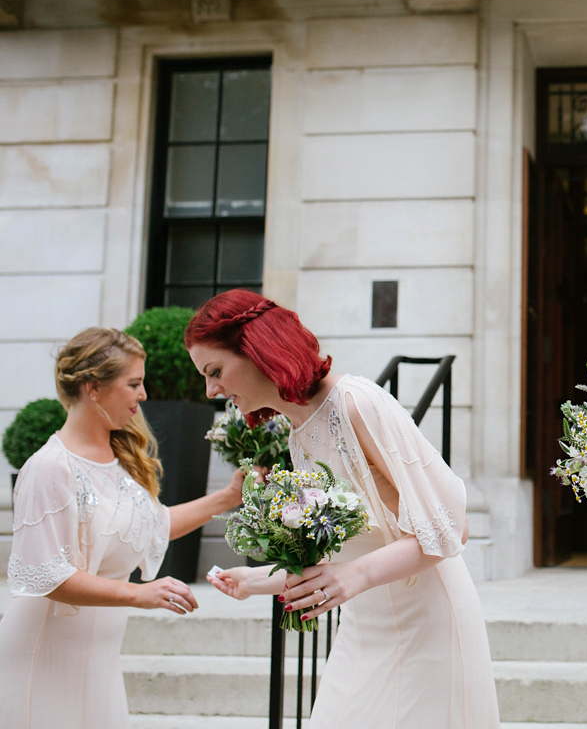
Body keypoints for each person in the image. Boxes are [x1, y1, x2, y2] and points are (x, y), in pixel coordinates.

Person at [187, 289, 500, 729]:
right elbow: (341, 556)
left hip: (426, 623)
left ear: (257, 349)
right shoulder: (298, 433)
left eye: (215, 371)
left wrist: (355, 577)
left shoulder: (357, 402)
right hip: (362, 628)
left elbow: (451, 529)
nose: (211, 390)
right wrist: (254, 581)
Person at [0, 327, 251, 729]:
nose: (144, 395)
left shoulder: (117, 462)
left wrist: (229, 496)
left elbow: (154, 526)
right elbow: (46, 574)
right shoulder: (50, 467)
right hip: (44, 654)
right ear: (92, 388)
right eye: (134, 383)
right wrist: (138, 593)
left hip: (97, 656)